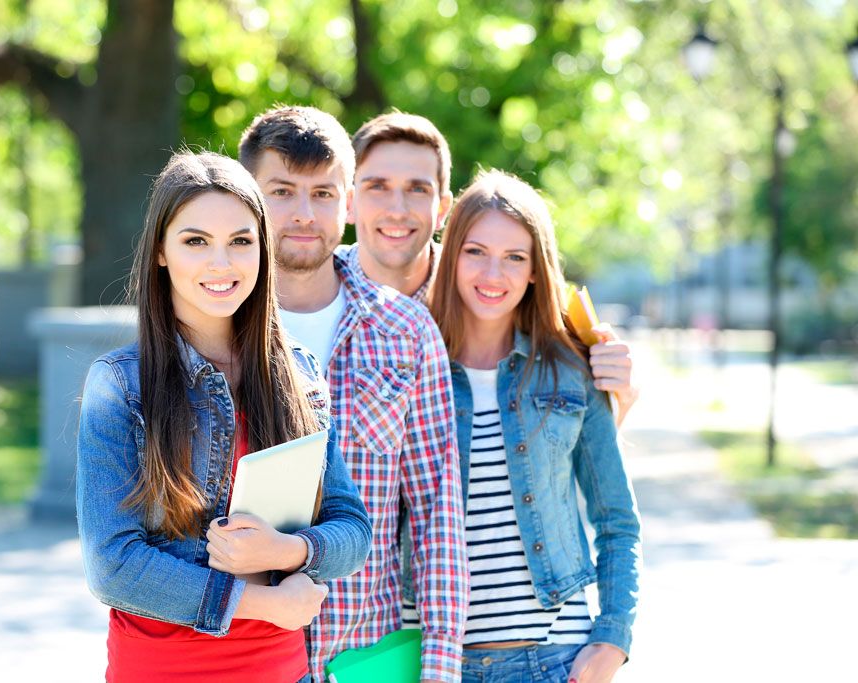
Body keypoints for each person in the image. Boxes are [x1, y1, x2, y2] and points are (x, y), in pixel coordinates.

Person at [75, 151, 373, 683]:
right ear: (161, 253)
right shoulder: (119, 385)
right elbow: (112, 566)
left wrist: (289, 549)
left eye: (241, 241)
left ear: (263, 249)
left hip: (283, 671)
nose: (222, 263)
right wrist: (263, 604)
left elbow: (352, 526)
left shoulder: (297, 373)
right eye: (196, 241)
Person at [238, 106, 468, 683]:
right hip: (236, 656)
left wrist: (439, 671)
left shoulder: (405, 332)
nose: (302, 214)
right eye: (282, 192)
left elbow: (438, 516)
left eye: (323, 193)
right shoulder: (211, 329)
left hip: (361, 658)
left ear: (348, 203)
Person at [422, 169, 641, 683]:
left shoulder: (570, 368)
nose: (492, 274)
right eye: (475, 252)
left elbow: (617, 519)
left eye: (514, 257)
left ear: (537, 270)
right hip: (432, 661)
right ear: (451, 255)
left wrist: (612, 637)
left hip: (553, 661)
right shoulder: (412, 363)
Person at [347, 112, 639, 426]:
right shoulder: (312, 295)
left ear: (443, 208)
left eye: (418, 189)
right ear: (349, 202)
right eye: (377, 186)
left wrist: (621, 399)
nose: (397, 210)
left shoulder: (490, 290)